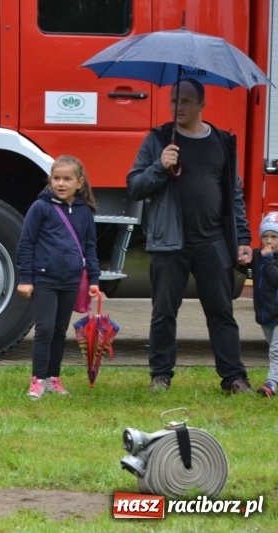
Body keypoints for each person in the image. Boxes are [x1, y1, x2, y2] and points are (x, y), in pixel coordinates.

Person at [127, 78, 255, 394]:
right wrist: (160, 166)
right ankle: (161, 377)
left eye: (185, 101)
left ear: (201, 104)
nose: (178, 107)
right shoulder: (158, 140)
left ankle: (234, 379)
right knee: (164, 313)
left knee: (221, 313)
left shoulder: (222, 142)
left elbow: (233, 193)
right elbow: (135, 186)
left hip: (212, 243)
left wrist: (241, 238)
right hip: (169, 242)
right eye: (174, 100)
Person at [17, 155, 100, 399]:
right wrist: (25, 278)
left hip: (71, 281)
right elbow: (26, 244)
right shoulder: (40, 207)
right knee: (45, 328)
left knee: (60, 332)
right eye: (56, 178)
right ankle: (37, 379)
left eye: (67, 179)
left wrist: (94, 280)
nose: (61, 183)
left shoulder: (85, 212)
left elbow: (90, 247)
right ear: (49, 180)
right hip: (44, 279)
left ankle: (53, 377)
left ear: (79, 183)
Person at [251, 212, 278, 398]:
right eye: (265, 236)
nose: (268, 241)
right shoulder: (257, 255)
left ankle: (271, 385)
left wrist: (269, 261)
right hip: (264, 314)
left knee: (276, 352)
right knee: (274, 349)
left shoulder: (269, 259)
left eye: (274, 237)